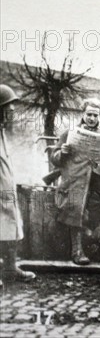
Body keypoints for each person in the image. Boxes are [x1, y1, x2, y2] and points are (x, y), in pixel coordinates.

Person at [51, 98, 100, 264]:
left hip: (97, 176)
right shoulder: (69, 134)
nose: (92, 118)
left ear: (99, 116)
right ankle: (77, 250)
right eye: (89, 114)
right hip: (75, 177)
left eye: (95, 115)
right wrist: (62, 152)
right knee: (76, 205)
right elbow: (55, 159)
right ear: (83, 114)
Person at [0, 84, 35, 284]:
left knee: (10, 227)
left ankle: (10, 268)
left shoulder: (3, 131)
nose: (12, 109)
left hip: (6, 190)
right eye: (7, 105)